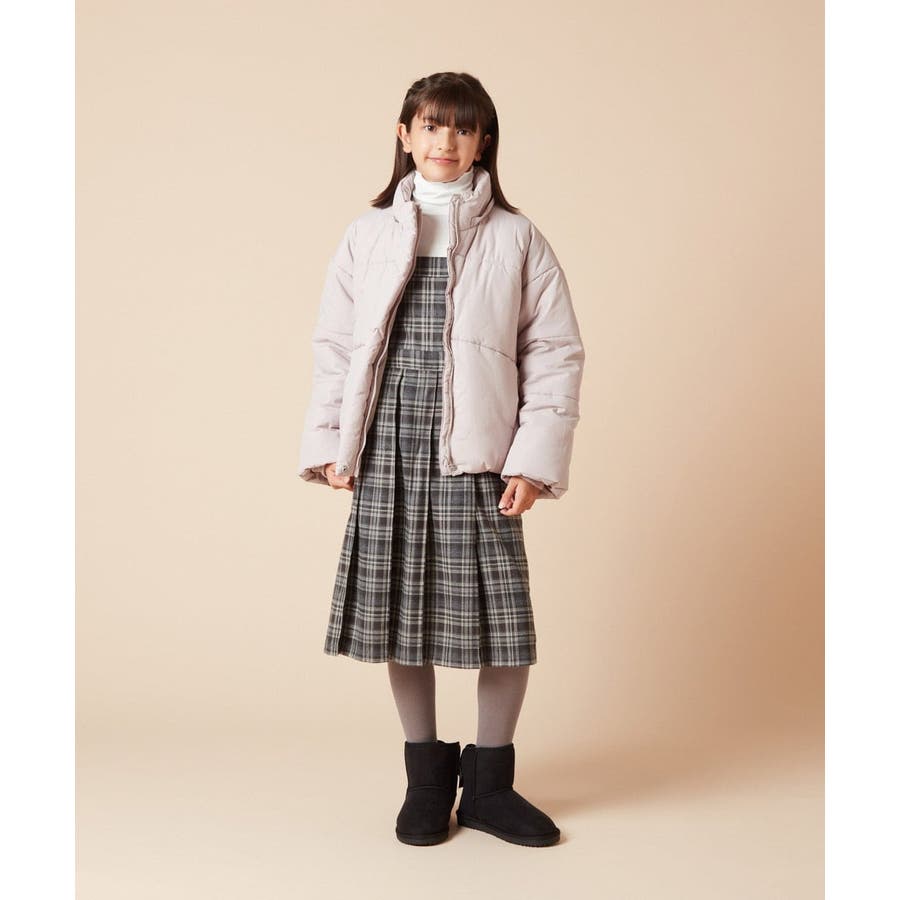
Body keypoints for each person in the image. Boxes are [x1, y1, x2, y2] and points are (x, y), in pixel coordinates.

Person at [297, 72, 585, 848]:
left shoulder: (517, 237)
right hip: (389, 443)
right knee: (403, 618)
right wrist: (332, 444)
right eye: (430, 125)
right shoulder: (366, 234)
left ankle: (490, 787)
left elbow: (554, 351)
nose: (445, 141)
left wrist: (532, 462)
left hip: (478, 449)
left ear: (483, 142)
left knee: (503, 622)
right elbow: (335, 345)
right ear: (404, 135)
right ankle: (426, 782)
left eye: (462, 128)